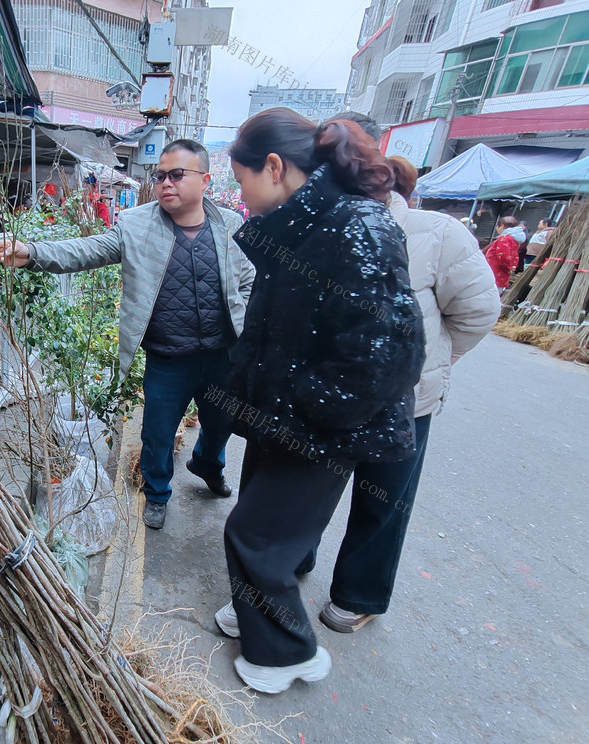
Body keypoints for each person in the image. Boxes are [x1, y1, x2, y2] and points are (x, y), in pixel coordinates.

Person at [215, 108, 425, 694]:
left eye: (242, 180)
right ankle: (259, 615)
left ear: (274, 167)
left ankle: (286, 654)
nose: (241, 195)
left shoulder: (357, 225)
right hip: (284, 414)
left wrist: (307, 405)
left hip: (321, 424)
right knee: (265, 532)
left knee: (255, 537)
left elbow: (389, 351)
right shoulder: (305, 223)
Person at [0, 139, 255, 530]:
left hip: (221, 356)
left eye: (177, 174)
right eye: (160, 176)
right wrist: (34, 254)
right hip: (168, 358)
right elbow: (89, 249)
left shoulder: (230, 225)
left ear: (205, 181)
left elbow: (249, 278)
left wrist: (243, 321)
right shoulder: (136, 225)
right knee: (158, 434)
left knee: (221, 425)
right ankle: (158, 494)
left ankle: (207, 464)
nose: (165, 183)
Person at [308, 155, 500, 635]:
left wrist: (431, 362)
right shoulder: (320, 223)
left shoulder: (436, 233)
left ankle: (357, 594)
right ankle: (291, 560)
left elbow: (476, 310)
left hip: (404, 403)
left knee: (384, 498)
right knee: (307, 488)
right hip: (328, 396)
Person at [484, 216, 523, 292]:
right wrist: (511, 267)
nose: (497, 229)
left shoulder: (504, 239)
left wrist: (508, 267)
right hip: (502, 274)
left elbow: (504, 256)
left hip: (495, 274)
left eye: (498, 226)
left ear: (502, 226)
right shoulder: (514, 239)